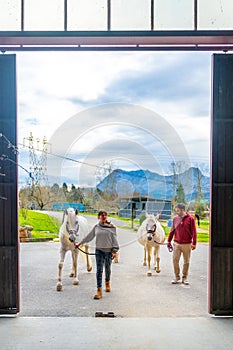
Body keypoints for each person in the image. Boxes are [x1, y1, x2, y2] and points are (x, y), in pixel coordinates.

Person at [75, 210, 119, 299]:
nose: (103, 216)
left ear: (107, 217)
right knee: (99, 271)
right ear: (98, 217)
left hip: (108, 251)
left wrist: (115, 251)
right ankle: (99, 290)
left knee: (107, 269)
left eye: (105, 215)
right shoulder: (96, 227)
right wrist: (79, 243)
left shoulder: (111, 227)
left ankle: (107, 283)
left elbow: (115, 240)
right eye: (101, 215)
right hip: (99, 251)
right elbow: (89, 236)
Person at [167, 203, 197, 285]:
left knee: (186, 261)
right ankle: (177, 277)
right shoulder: (175, 219)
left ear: (182, 210)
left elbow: (194, 232)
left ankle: (185, 278)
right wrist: (169, 241)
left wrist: (194, 243)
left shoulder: (190, 219)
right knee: (175, 260)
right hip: (176, 243)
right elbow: (172, 231)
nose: (176, 212)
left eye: (177, 210)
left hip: (187, 244)